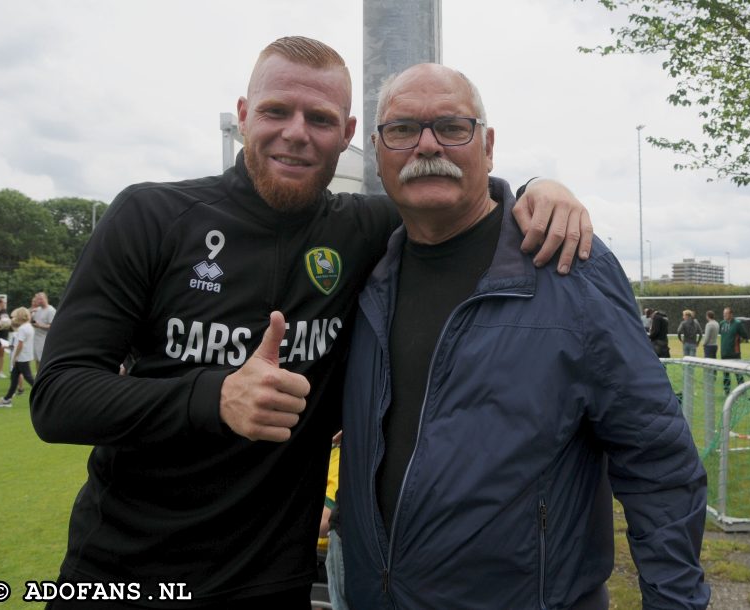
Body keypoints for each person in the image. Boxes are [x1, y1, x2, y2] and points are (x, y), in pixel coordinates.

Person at [30, 36, 593, 608]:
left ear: (349, 135)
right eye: (276, 110)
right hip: (123, 574)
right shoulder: (150, 217)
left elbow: (452, 192)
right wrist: (214, 396)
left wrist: (539, 189)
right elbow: (57, 397)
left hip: (273, 582)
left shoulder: (366, 230)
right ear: (246, 116)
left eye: (319, 118)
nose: (296, 132)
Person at [339, 62, 709, 610]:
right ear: (377, 150)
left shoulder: (569, 266)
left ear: (488, 146)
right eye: (402, 130)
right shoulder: (365, 271)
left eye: (451, 126)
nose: (426, 145)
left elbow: (658, 461)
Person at [0, 307, 35, 407]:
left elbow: (20, 344)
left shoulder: (22, 328)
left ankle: (45, 393)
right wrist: (9, 346)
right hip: (25, 356)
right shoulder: (29, 326)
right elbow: (20, 343)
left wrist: (15, 357)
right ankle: (7, 399)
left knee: (29, 378)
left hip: (21, 357)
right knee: (14, 378)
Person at [720, 306, 747, 395]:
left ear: (731, 314)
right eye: (724, 313)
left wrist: (739, 341)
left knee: (738, 373)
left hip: (734, 353)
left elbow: (745, 336)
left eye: (726, 313)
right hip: (724, 353)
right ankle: (726, 391)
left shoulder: (737, 324)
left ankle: (742, 390)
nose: (724, 315)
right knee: (726, 374)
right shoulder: (722, 323)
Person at [30, 291, 56, 371]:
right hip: (36, 338)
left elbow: (53, 326)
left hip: (45, 339)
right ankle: (38, 378)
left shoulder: (51, 310)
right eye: (37, 299)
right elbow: (32, 321)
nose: (39, 301)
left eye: (40, 299)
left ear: (45, 299)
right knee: (37, 360)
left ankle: (44, 378)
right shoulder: (37, 310)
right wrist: (30, 315)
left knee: (43, 361)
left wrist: (40, 325)